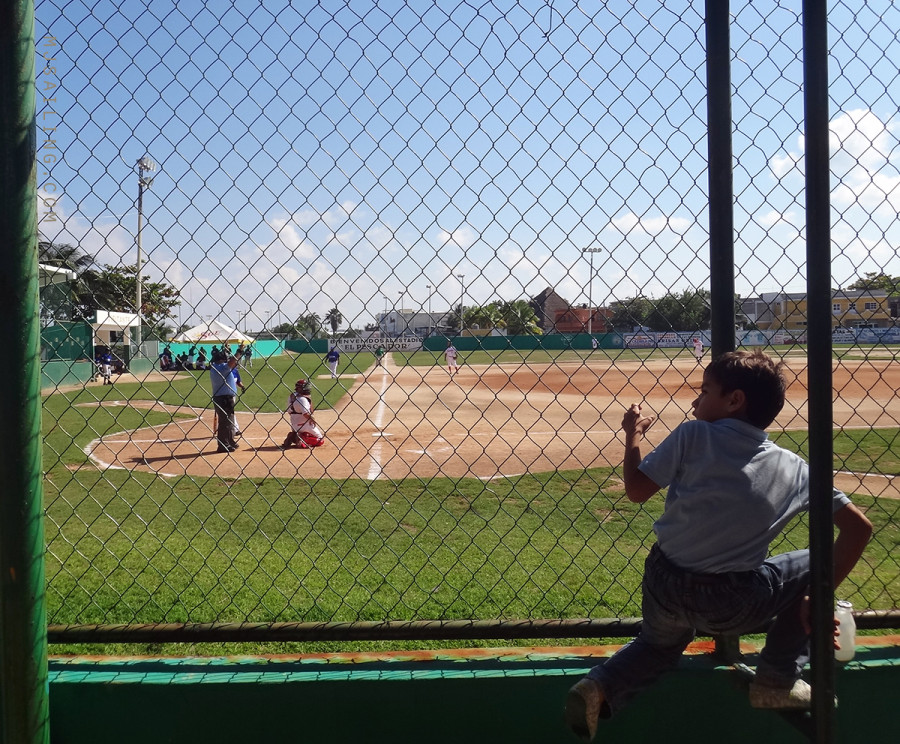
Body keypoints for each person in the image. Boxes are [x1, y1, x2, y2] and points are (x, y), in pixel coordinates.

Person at [564, 350, 872, 742]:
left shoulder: (692, 435)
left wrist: (633, 438)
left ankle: (599, 686)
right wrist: (817, 595)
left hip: (664, 581)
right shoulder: (795, 468)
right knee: (815, 564)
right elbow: (859, 528)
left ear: (734, 400)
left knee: (657, 645)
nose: (695, 401)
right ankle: (776, 678)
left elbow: (636, 491)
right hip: (731, 602)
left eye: (705, 390)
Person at [209, 342, 245, 453]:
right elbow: (233, 361)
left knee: (228, 422)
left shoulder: (214, 367)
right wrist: (240, 350)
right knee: (226, 423)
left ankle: (229, 442)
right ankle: (223, 445)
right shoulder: (223, 367)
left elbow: (231, 362)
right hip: (225, 399)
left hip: (220, 398)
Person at [280, 379, 325, 450]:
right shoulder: (303, 399)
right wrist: (312, 419)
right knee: (320, 440)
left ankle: (294, 436)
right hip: (305, 424)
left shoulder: (291, 396)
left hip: (294, 425)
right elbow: (305, 414)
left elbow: (289, 412)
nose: (308, 388)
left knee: (306, 433)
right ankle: (302, 439)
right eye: (306, 387)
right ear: (300, 388)